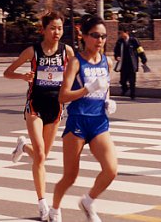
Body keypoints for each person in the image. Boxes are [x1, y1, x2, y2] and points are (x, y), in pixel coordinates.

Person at [3, 11, 74, 221]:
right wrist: (22, 76)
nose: (56, 32)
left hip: (56, 107)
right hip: (35, 105)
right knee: (41, 157)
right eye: (52, 27)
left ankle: (23, 147)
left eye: (60, 28)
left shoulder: (66, 51)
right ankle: (43, 203)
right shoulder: (32, 51)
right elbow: (7, 72)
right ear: (43, 29)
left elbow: (78, 70)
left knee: (42, 155)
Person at [49, 15, 117, 222]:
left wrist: (108, 101)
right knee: (70, 176)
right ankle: (54, 209)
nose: (100, 40)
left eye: (103, 36)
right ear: (84, 37)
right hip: (78, 122)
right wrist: (86, 89)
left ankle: (87, 201)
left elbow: (105, 89)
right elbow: (63, 96)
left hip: (98, 122)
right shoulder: (75, 63)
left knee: (111, 170)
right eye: (95, 35)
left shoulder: (108, 62)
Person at [113, 26, 147, 100]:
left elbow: (140, 50)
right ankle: (124, 88)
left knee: (132, 81)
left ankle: (132, 94)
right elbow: (116, 51)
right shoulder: (120, 42)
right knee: (122, 80)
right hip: (123, 64)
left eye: (122, 33)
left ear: (126, 32)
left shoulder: (134, 40)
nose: (121, 35)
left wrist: (143, 59)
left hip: (132, 63)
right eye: (120, 33)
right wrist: (116, 56)